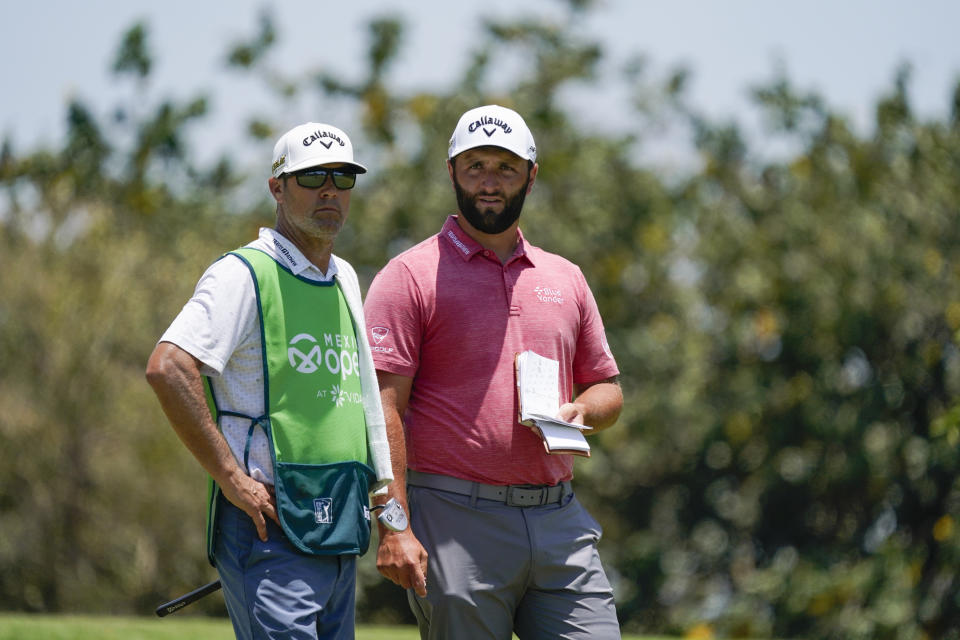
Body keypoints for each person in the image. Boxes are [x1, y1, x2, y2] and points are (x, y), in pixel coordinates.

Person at [364, 104, 624, 640]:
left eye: (505, 168)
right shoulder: (409, 275)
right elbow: (382, 408)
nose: (489, 182)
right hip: (454, 516)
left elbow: (607, 388)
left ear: (532, 175)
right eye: (475, 165)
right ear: (451, 171)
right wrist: (394, 524)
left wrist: (583, 410)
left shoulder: (565, 277)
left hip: (559, 519)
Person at [145, 121, 394, 640]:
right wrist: (233, 480)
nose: (330, 190)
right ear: (276, 187)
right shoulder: (243, 273)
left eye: (342, 177)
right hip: (270, 527)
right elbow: (169, 366)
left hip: (337, 526)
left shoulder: (344, 276)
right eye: (312, 177)